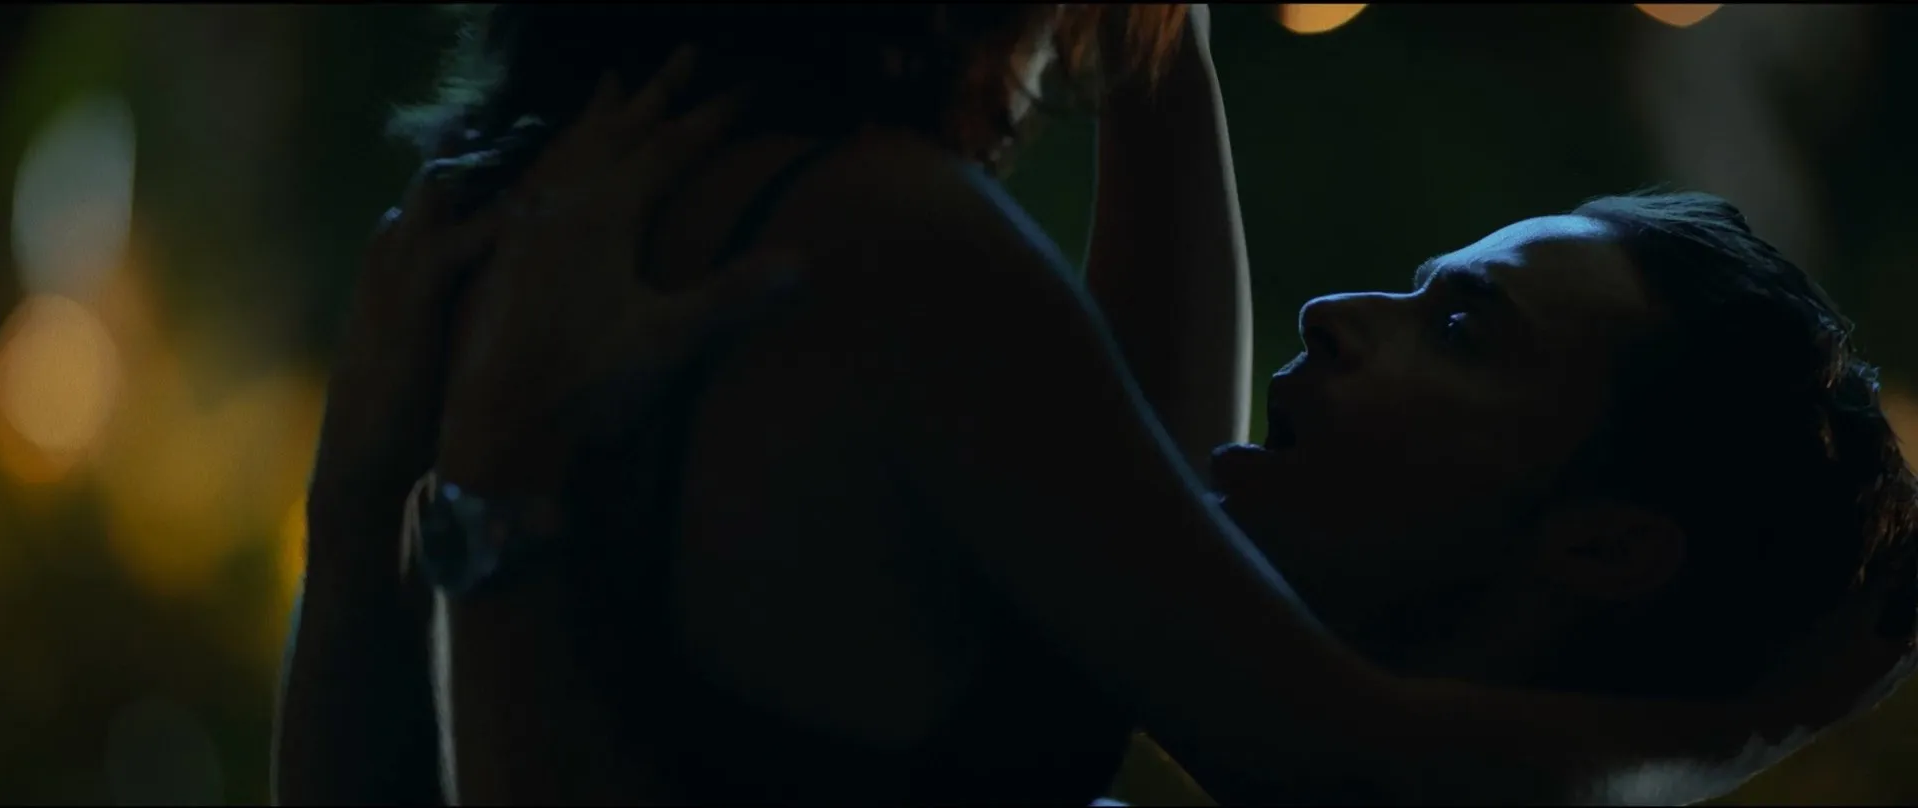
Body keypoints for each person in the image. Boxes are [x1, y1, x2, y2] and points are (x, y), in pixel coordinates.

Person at [274, 4, 1917, 805]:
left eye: (1462, 325)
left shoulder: (616, 208)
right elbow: (1284, 695)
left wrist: (404, 519)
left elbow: (1161, 545)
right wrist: (1760, 722)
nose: (1337, 316)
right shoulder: (892, 252)